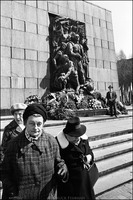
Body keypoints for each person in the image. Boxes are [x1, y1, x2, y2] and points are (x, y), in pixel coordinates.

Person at [1, 103, 68, 200]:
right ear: (25, 123)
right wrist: (13, 192)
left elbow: (59, 162)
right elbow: (4, 172)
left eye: (39, 124)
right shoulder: (13, 145)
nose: (36, 128)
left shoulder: (52, 141)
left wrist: (63, 168)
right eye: (32, 123)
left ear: (43, 123)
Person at [56, 116, 96, 200]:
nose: (77, 138)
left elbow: (89, 152)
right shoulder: (57, 144)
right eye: (73, 136)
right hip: (69, 186)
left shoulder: (83, 139)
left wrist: (88, 158)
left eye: (78, 135)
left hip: (85, 182)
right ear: (66, 134)